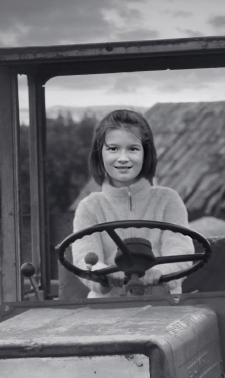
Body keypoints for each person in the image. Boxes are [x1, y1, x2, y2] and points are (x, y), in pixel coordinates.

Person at [71, 109, 195, 297]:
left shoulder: (168, 200)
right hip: (107, 309)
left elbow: (180, 248)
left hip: (163, 304)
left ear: (146, 153)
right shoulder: (90, 207)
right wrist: (104, 274)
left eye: (133, 149)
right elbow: (85, 257)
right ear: (99, 154)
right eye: (113, 148)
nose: (123, 158)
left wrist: (162, 271)